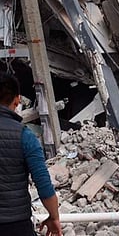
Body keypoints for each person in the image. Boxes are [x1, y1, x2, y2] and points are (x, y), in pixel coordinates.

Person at [0, 72, 62, 235]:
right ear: (17, 100)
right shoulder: (25, 136)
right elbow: (43, 184)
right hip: (15, 224)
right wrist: (54, 217)